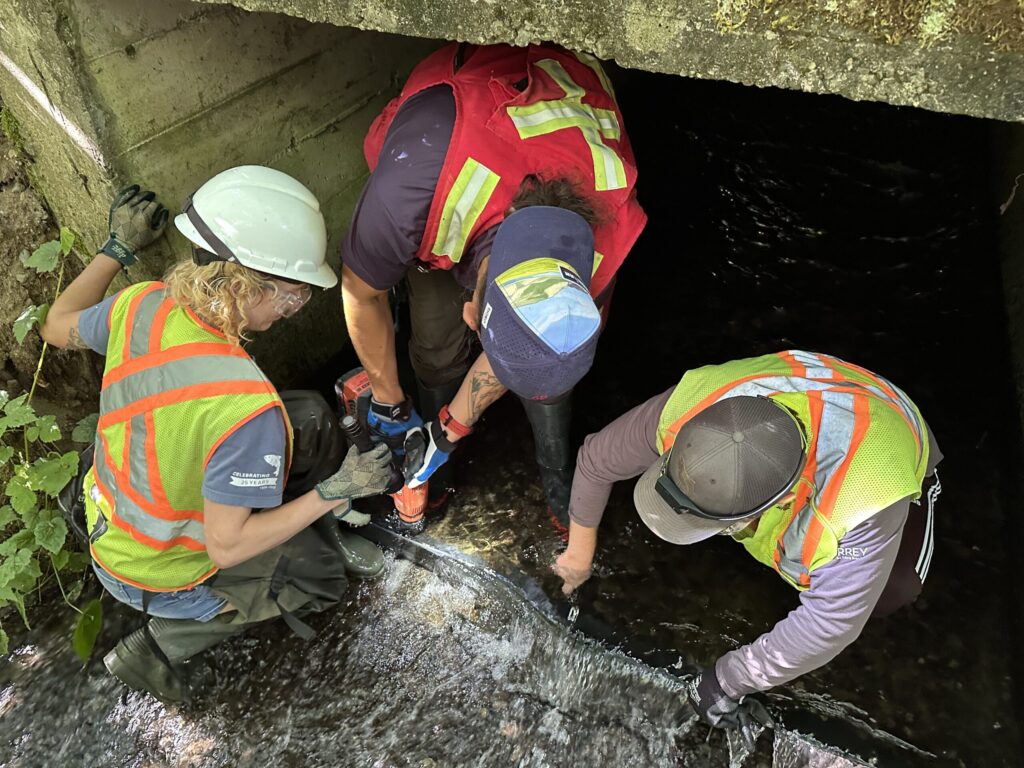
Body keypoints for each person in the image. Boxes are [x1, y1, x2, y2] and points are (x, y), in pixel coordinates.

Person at [41, 167, 394, 703]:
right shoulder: (246, 409)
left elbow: (56, 323)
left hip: (111, 516)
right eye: (290, 297)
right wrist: (334, 491)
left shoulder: (140, 303)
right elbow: (226, 547)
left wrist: (117, 247)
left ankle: (316, 525)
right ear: (238, 286)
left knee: (310, 416)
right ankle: (158, 644)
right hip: (160, 572)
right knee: (318, 579)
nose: (293, 310)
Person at [552, 350, 942, 747]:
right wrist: (578, 556)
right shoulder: (699, 400)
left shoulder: (863, 504)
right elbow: (597, 460)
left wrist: (727, 680)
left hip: (890, 429)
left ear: (782, 501)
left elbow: (831, 625)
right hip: (820, 386)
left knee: (893, 590)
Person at [340, 42, 647, 533]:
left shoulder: (610, 238)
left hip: (563, 107)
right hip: (456, 121)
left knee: (548, 372)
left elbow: (531, 351)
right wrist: (388, 399)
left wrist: (450, 429)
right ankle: (428, 465)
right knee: (436, 349)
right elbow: (361, 291)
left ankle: (555, 471)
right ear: (472, 309)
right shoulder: (409, 189)